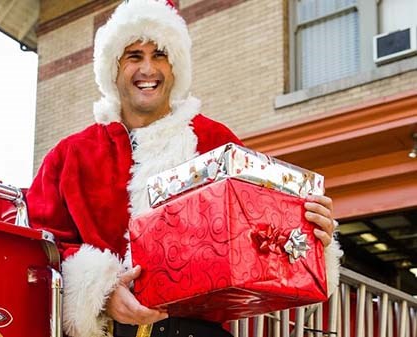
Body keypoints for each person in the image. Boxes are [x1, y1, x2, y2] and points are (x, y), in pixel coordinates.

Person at [26, 1, 343, 337]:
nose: (148, 69)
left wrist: (311, 234)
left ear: (176, 66)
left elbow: (263, 228)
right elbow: (36, 247)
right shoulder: (70, 155)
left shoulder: (217, 141)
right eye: (134, 56)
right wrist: (99, 292)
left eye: (160, 54)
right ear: (112, 69)